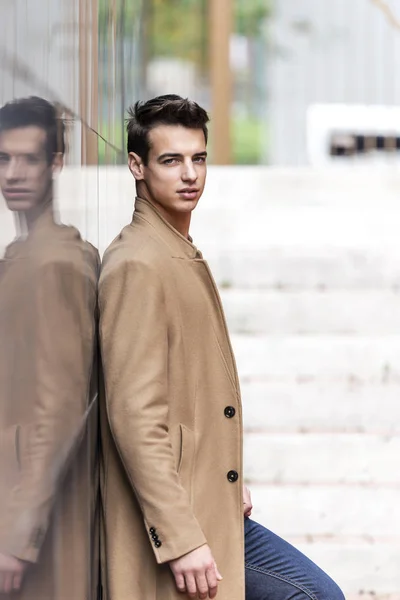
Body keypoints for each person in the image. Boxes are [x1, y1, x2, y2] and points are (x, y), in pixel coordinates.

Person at [98, 94, 345, 600]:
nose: (190, 174)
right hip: (176, 524)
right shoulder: (138, 264)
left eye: (199, 158)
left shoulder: (174, 251)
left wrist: (222, 481)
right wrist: (182, 539)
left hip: (207, 501)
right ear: (136, 166)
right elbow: (134, 414)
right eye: (171, 160)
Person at [0, 96, 99, 599]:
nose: (14, 173)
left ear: (56, 163)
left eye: (30, 158)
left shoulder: (55, 263)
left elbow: (60, 407)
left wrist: (19, 535)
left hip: (37, 522)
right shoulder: (20, 258)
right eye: (3, 159)